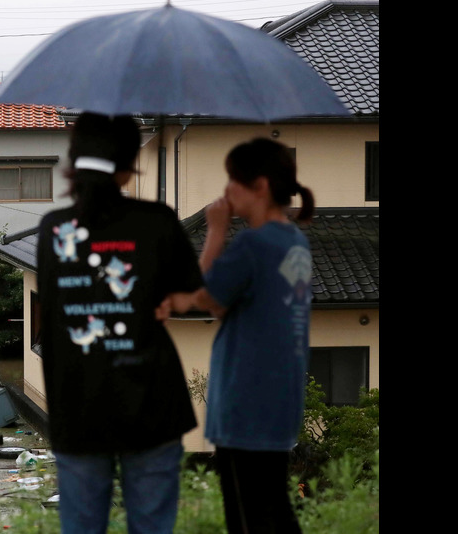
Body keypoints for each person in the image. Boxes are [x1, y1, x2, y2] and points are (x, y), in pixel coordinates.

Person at [36, 112, 204, 534]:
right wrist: (169, 300)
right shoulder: (158, 221)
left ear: (73, 164)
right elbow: (193, 296)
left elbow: (54, 318)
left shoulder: (54, 229)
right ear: (129, 167)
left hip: (77, 406)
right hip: (151, 402)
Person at [188, 137, 314, 534]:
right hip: (279, 403)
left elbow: (207, 299)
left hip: (245, 404)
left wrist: (215, 232)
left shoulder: (252, 243)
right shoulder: (294, 241)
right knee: (273, 509)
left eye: (232, 181)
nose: (225, 191)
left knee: (248, 518)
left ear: (259, 186)